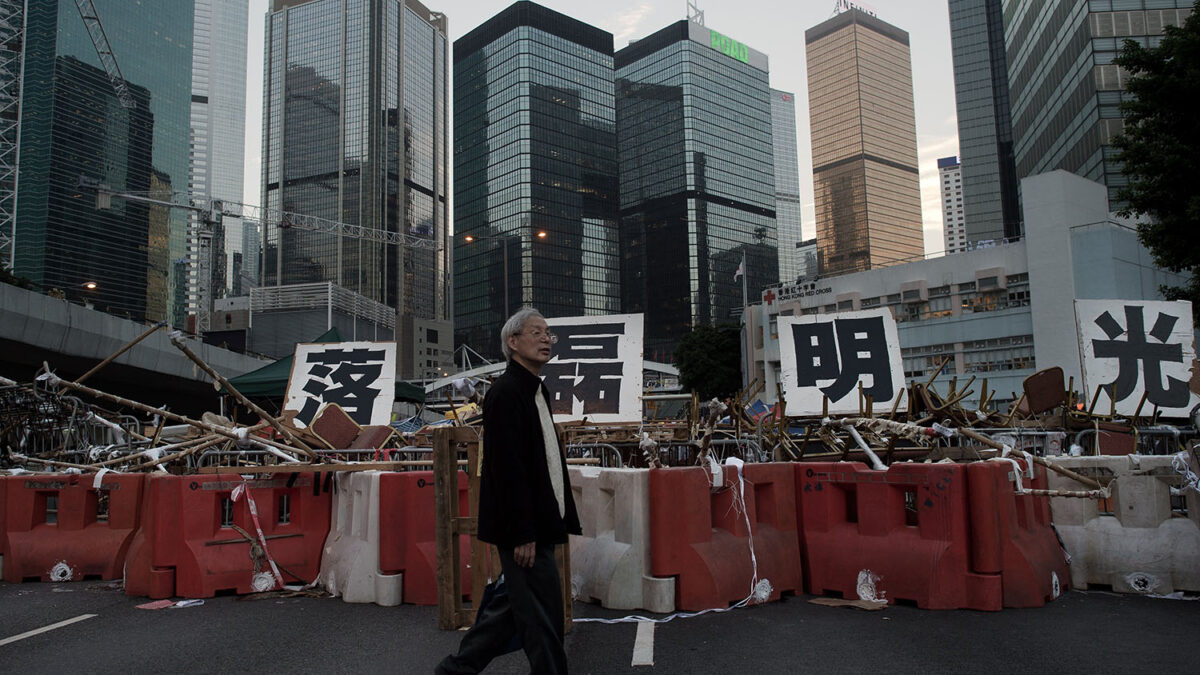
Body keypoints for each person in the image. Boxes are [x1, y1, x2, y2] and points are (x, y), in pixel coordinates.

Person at [436, 307, 582, 674]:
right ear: (512, 342)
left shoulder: (534, 389)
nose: (547, 339)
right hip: (524, 530)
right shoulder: (505, 394)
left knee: (513, 612)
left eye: (549, 333)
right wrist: (522, 533)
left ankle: (455, 670)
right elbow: (507, 469)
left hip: (539, 523)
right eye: (537, 332)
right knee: (542, 620)